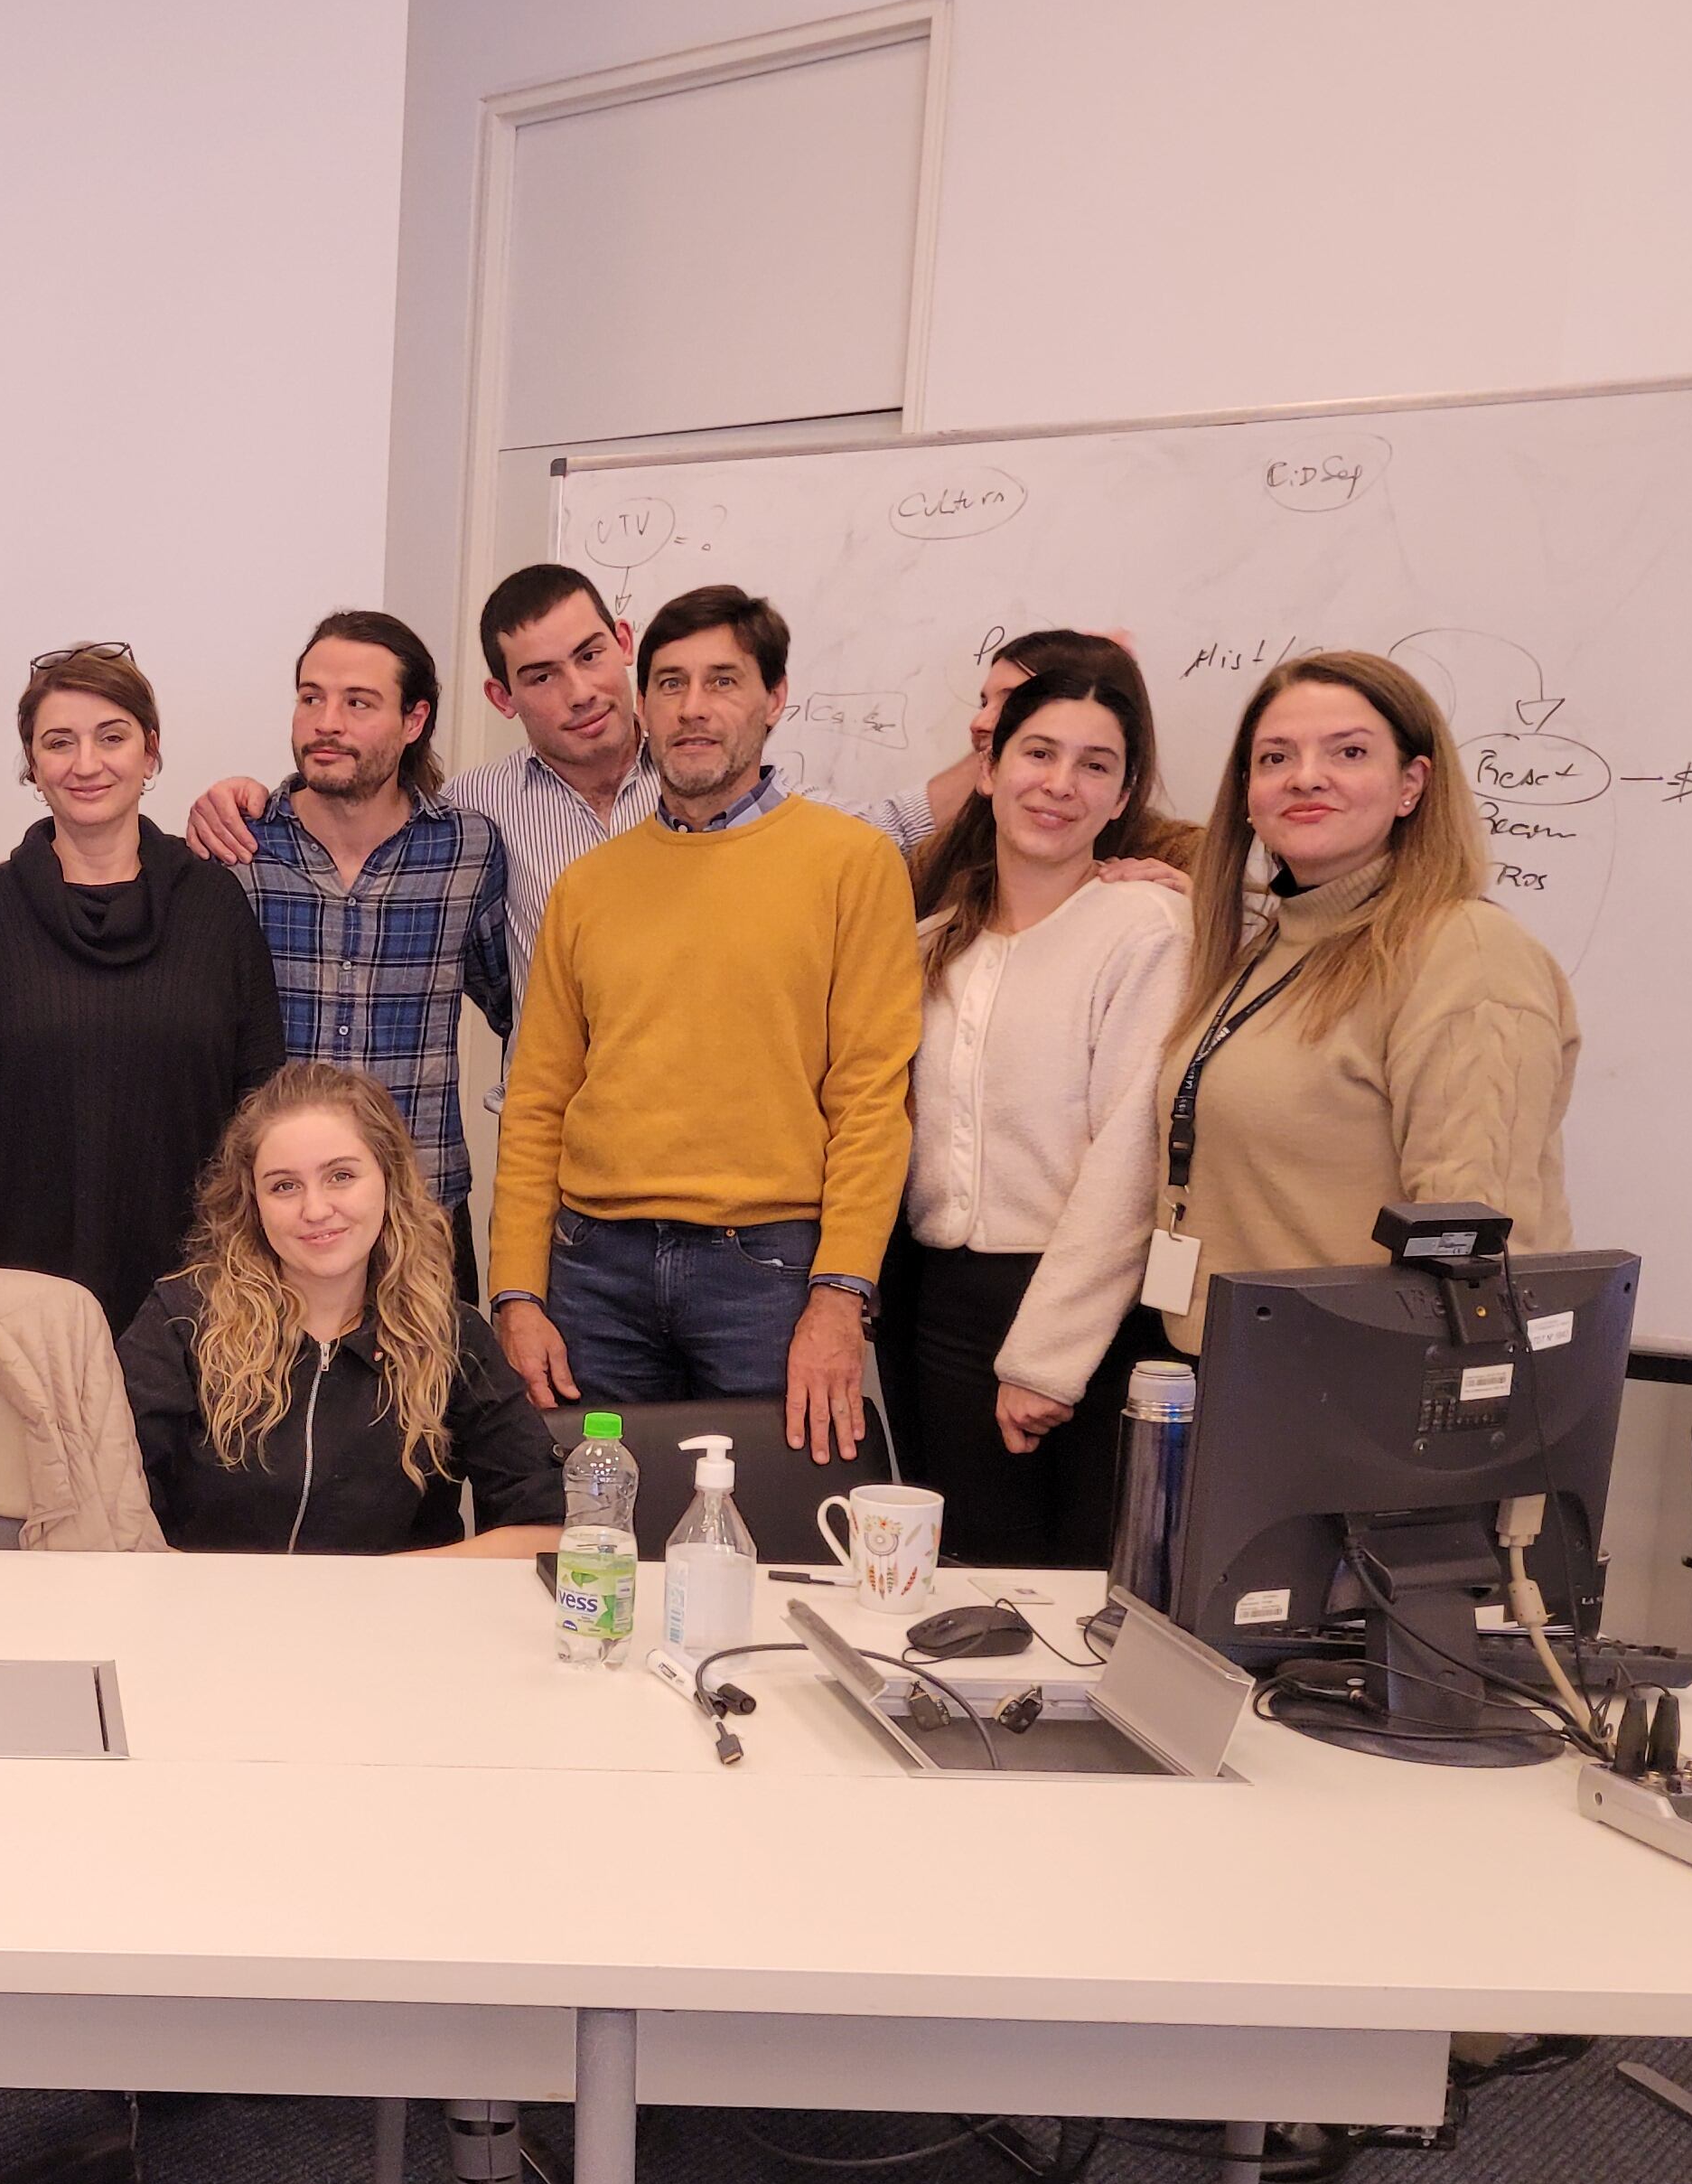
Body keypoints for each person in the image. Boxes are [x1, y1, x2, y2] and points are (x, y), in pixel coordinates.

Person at [488, 583, 920, 1457]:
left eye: (723, 681)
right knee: (594, 1545)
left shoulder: (854, 864)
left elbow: (874, 1099)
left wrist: (841, 1294)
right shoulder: (589, 885)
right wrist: (516, 1294)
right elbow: (537, 1102)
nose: (694, 708)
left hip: (767, 1275)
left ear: (774, 698)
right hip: (592, 1271)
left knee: (771, 1540)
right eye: (672, 683)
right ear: (641, 703)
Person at [1146, 650, 1576, 1357]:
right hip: (1235, 1369)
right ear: (1248, 794)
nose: (1305, 776)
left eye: (1348, 751)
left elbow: (1474, 1244)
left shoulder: (1464, 952)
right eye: (1275, 757)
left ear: (1412, 785)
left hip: (1368, 1394)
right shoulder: (1268, 946)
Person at [882, 665, 1198, 1566]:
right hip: (940, 1309)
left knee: (1072, 1595)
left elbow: (1131, 1157)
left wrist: (1045, 1362)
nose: (1060, 784)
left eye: (1095, 766)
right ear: (990, 768)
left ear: (1123, 795)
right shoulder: (933, 940)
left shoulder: (1144, 929)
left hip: (1081, 1322)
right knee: (964, 1585)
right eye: (1039, 753)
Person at [0, 642, 284, 1332]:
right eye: (59, 742)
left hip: (201, 1297)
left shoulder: (215, 904)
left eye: (112, 737)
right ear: (33, 766)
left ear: (151, 753)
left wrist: (250, 1276)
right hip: (16, 1298)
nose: (87, 764)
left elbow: (261, 1102)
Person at [196, 612, 511, 1303]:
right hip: (269, 1224)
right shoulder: (235, 850)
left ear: (413, 720)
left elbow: (522, 1016)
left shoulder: (468, 852)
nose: (326, 721)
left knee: (432, 1411)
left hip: (419, 1217)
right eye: (311, 697)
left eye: (357, 702)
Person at [117, 1064, 558, 1556]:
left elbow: (548, 1526)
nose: (315, 1210)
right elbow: (110, 1511)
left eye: (341, 1176)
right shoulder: (182, 1318)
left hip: (392, 1624)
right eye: (284, 1186)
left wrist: (371, 1590)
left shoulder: (450, 1335)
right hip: (210, 1620)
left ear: (390, 1180)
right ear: (252, 1202)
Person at [190, 565, 643, 1007]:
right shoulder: (475, 816)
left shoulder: (696, 790)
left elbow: (508, 1001)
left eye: (589, 656)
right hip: (555, 1086)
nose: (579, 692)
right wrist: (228, 800)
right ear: (503, 697)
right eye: (542, 676)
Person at [865, 626, 1143, 857]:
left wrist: (1186, 895)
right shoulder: (944, 864)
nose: (979, 723)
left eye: (1010, 702)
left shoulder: (1160, 873)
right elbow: (880, 838)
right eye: (984, 702)